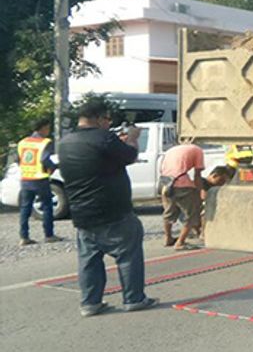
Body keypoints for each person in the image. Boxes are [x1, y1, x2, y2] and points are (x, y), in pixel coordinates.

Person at [57, 99, 157, 317]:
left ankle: (90, 303)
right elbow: (130, 155)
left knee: (89, 259)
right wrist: (131, 138)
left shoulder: (66, 141)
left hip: (82, 212)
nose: (108, 123)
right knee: (128, 255)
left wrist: (116, 142)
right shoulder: (105, 138)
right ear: (100, 118)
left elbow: (95, 160)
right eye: (107, 119)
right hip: (113, 210)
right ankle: (134, 299)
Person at [17, 118, 63, 245]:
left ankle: (24, 236)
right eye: (47, 128)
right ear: (42, 128)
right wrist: (54, 167)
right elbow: (45, 160)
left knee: (25, 208)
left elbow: (18, 159)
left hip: (26, 178)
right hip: (40, 179)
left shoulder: (23, 142)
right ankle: (49, 235)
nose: (48, 131)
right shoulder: (44, 143)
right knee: (47, 206)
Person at [160, 143, 205, 250]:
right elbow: (197, 175)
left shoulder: (171, 150)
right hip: (182, 184)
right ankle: (180, 242)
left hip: (166, 183)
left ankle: (168, 238)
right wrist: (201, 191)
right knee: (191, 214)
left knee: (169, 211)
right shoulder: (197, 149)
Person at [194, 166, 235, 240]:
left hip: (197, 205)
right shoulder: (203, 182)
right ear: (214, 176)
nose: (222, 183)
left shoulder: (213, 186)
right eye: (221, 180)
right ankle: (203, 233)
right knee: (205, 211)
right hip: (194, 204)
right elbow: (203, 197)